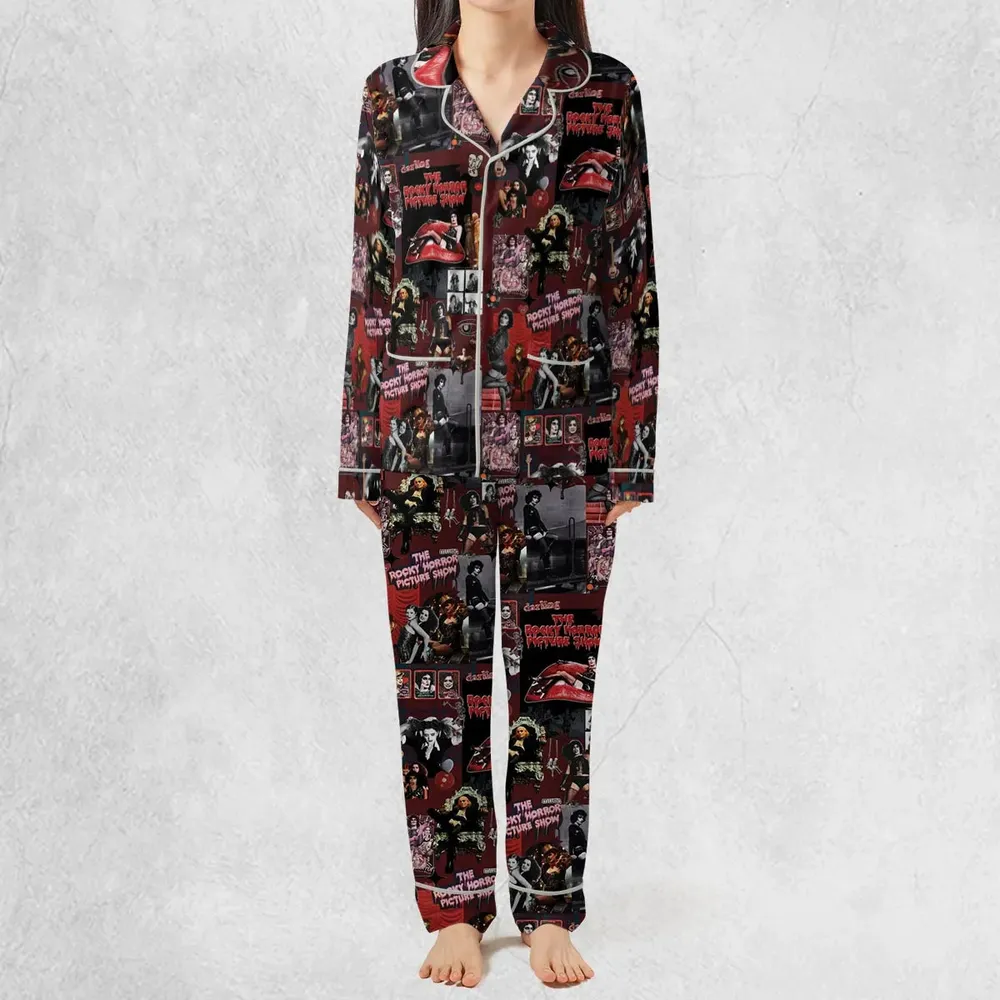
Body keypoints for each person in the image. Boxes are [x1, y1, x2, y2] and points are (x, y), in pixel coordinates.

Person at [336, 0, 660, 987]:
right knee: (436, 685)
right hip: (422, 440)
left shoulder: (603, 93)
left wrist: (632, 448)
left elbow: (632, 278)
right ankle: (456, 908)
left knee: (556, 677)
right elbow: (371, 274)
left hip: (566, 443)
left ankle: (548, 904)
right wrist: (360, 451)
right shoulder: (394, 97)